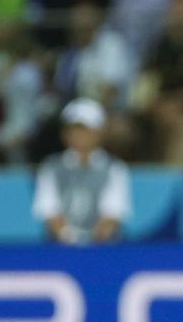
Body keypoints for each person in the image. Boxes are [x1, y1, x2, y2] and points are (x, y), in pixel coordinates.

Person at [32, 98, 132, 245]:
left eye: (86, 129)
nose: (80, 135)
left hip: (102, 250)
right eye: (75, 129)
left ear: (99, 132)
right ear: (65, 133)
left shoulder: (115, 169)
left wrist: (91, 243)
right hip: (59, 249)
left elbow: (113, 213)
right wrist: (71, 239)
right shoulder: (51, 167)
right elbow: (49, 211)